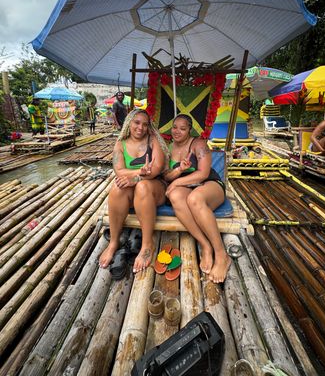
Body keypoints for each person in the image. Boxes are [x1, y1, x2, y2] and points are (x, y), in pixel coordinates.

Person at [163, 114, 231, 283]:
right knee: (174, 195)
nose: (177, 131)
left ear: (190, 130)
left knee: (194, 199)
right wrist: (178, 172)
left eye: (183, 128)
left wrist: (177, 181)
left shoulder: (198, 144)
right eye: (175, 127)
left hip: (210, 184)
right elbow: (167, 176)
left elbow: (203, 173)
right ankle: (205, 245)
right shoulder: (169, 147)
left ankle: (221, 255)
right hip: (187, 187)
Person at [99, 109, 169, 272]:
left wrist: (138, 178)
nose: (140, 127)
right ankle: (114, 241)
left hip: (154, 186)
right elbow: (119, 171)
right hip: (132, 186)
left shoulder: (153, 141)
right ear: (128, 123)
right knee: (117, 187)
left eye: (145, 124)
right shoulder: (120, 144)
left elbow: (157, 169)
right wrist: (139, 172)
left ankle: (146, 244)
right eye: (137, 123)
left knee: (142, 186)